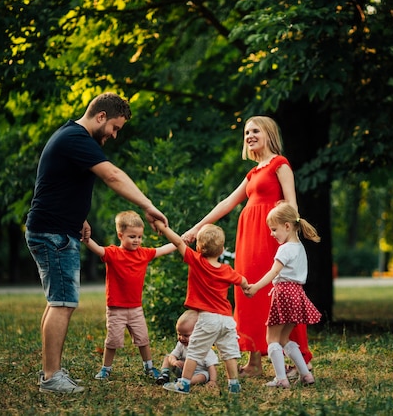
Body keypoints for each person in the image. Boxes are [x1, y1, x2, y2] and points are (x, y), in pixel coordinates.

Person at [25, 92, 168, 394]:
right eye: (115, 128)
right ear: (101, 116)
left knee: (57, 302)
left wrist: (79, 217)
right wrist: (147, 205)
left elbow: (57, 183)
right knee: (62, 303)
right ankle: (51, 377)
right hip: (54, 234)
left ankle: (51, 372)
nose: (115, 135)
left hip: (55, 229)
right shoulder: (78, 138)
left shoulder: (69, 136)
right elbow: (113, 176)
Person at [181, 116, 313, 378]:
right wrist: (197, 227)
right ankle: (254, 362)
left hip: (270, 237)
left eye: (255, 131)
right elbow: (227, 203)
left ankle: (301, 360)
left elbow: (292, 206)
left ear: (268, 134)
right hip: (248, 238)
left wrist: (289, 242)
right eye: (246, 132)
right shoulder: (253, 172)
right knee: (247, 294)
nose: (249, 135)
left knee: (278, 294)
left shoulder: (280, 164)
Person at [154, 221, 249, 394]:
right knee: (229, 353)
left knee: (195, 352)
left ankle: (183, 384)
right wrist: (247, 288)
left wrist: (164, 228)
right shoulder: (227, 270)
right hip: (227, 319)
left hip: (209, 318)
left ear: (198, 247)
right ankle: (234, 384)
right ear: (221, 250)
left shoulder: (196, 261)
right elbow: (242, 281)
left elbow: (178, 242)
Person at [83, 210, 176, 381]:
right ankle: (106, 369)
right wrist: (87, 240)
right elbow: (97, 249)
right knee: (112, 341)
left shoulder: (144, 253)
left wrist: (181, 241)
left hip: (135, 308)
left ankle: (149, 367)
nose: (137, 241)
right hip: (116, 309)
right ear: (120, 235)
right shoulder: (113, 254)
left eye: (140, 237)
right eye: (132, 237)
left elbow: (163, 249)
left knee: (143, 339)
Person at [244, 202, 321, 388]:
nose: (272, 234)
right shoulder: (300, 247)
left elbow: (273, 273)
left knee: (271, 339)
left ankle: (281, 378)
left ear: (287, 226)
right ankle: (305, 374)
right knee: (285, 339)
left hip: (284, 294)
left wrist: (255, 287)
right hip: (297, 295)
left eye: (274, 229)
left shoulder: (285, 249)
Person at [155, 310, 219, 388]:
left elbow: (211, 367)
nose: (181, 338)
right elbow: (173, 355)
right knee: (167, 357)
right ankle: (164, 374)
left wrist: (213, 380)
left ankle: (185, 381)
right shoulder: (181, 345)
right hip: (182, 369)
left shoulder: (205, 349)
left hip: (197, 372)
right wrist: (174, 361)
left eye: (186, 335)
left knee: (203, 376)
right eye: (179, 334)